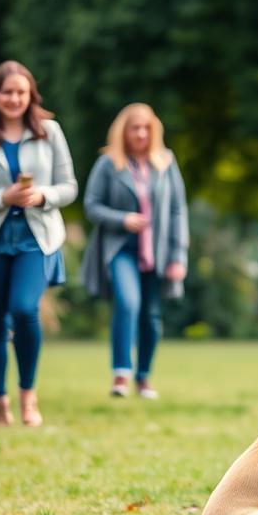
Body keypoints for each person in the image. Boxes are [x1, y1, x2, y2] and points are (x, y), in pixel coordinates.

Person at [0, 61, 78, 427]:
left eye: (21, 92)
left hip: (35, 239)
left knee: (24, 309)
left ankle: (28, 396)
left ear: (31, 95)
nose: (14, 99)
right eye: (7, 92)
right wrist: (1, 197)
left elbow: (69, 187)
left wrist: (41, 195)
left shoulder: (49, 132)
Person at [80, 103, 188, 399]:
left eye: (146, 128)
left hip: (158, 250)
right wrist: (122, 219)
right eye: (134, 128)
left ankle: (144, 377)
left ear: (154, 131)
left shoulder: (166, 162)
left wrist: (179, 255)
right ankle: (120, 375)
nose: (140, 133)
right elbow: (91, 206)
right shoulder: (108, 164)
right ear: (123, 131)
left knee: (152, 317)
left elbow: (178, 209)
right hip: (119, 249)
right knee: (128, 303)